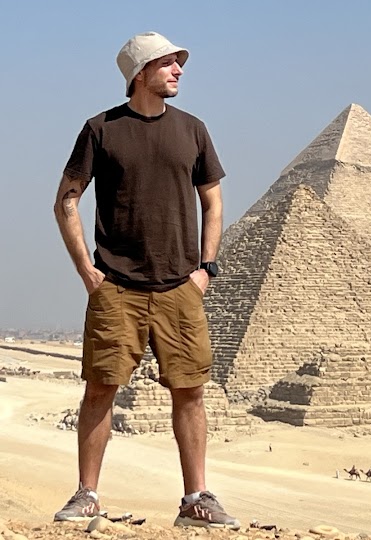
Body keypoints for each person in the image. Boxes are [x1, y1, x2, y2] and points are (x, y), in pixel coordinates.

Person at [52, 31, 239, 530]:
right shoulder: (101, 129)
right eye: (168, 64)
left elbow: (213, 201)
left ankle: (196, 497)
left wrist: (207, 269)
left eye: (180, 63)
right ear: (140, 74)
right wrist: (86, 271)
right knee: (100, 389)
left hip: (180, 285)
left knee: (191, 391)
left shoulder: (193, 129)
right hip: (116, 284)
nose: (179, 70)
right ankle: (87, 493)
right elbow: (66, 199)